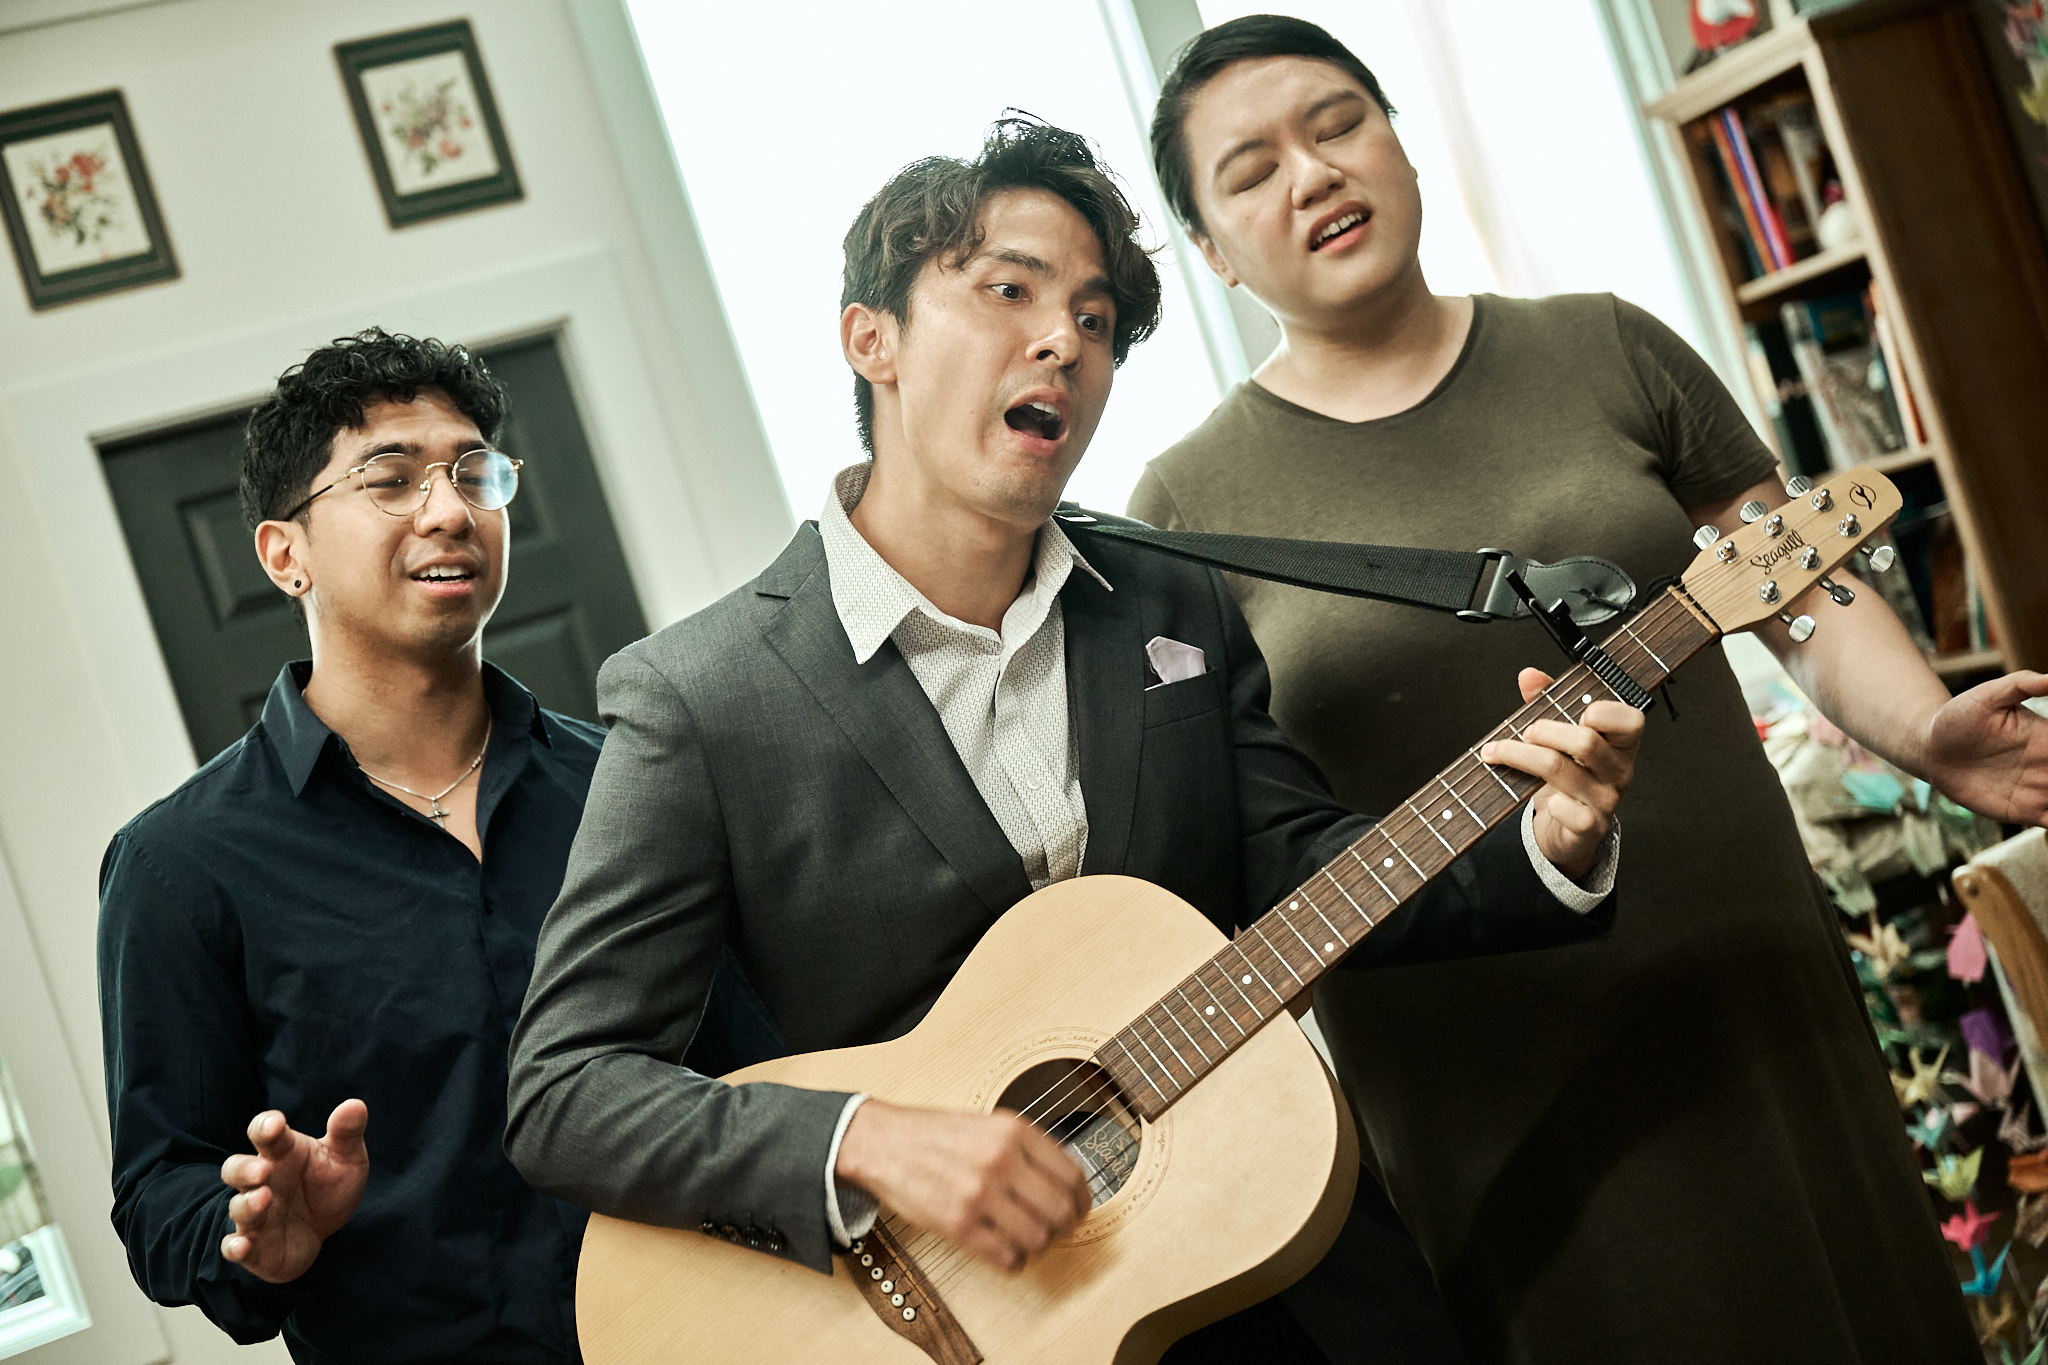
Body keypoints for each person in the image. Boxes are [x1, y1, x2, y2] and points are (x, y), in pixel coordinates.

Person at [505, 118, 1642, 1363]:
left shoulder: (1167, 599)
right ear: (870, 340)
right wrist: (865, 1141)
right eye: (1008, 291)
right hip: (964, 1320)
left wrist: (1542, 842)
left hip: (1279, 1269)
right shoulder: (701, 695)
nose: (1062, 341)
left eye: (1093, 320)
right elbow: (566, 1090)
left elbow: (1295, 869)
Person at [1131, 15, 2048, 1364]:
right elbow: (1233, 843)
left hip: (1742, 967)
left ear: (1398, 141)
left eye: (1337, 125)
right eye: (1251, 171)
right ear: (1209, 251)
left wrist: (1924, 728)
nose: (1313, 174)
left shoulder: (1605, 345)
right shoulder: (1182, 509)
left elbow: (1790, 575)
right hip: (1487, 1071)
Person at [96, 329, 772, 1363]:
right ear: (285, 555)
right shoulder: (179, 865)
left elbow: (765, 1073)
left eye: (473, 473)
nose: (450, 509)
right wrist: (257, 1234)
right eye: (391, 478)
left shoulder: (634, 788)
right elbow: (159, 1191)